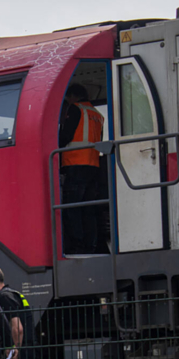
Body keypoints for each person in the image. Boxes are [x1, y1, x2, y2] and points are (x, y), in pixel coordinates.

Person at [59, 83, 105, 254]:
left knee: (72, 208)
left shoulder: (76, 109)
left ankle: (77, 245)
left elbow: (66, 136)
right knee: (88, 208)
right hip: (93, 165)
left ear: (72, 96)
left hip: (75, 163)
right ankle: (91, 245)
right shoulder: (97, 114)